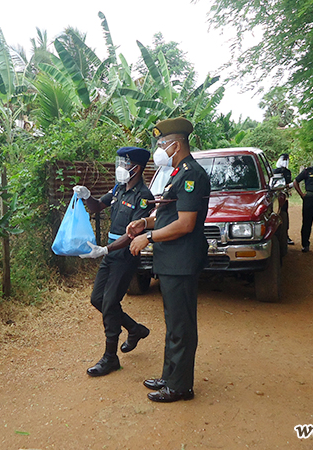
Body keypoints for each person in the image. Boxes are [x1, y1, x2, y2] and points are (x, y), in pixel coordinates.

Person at [128, 117, 211, 403]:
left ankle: (180, 387)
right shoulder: (177, 173)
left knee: (181, 325)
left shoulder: (191, 175)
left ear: (176, 144)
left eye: (162, 143)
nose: (159, 148)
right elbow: (168, 216)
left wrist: (148, 238)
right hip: (172, 260)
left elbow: (186, 224)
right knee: (173, 322)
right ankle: (170, 375)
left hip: (181, 261)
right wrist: (144, 223)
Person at [73, 147, 155, 377]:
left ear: (136, 168)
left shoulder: (144, 196)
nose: (121, 167)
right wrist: (87, 196)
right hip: (110, 253)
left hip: (126, 254)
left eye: (125, 163)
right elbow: (99, 206)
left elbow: (133, 234)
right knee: (97, 298)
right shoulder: (119, 188)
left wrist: (105, 249)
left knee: (109, 302)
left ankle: (110, 358)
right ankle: (134, 329)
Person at [273, 153, 294, 245]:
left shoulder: (288, 172)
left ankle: (285, 236)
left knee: (284, 215)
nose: (285, 161)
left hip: (283, 197)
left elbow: (289, 184)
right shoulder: (274, 171)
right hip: (275, 197)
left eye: (286, 159)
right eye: (284, 159)